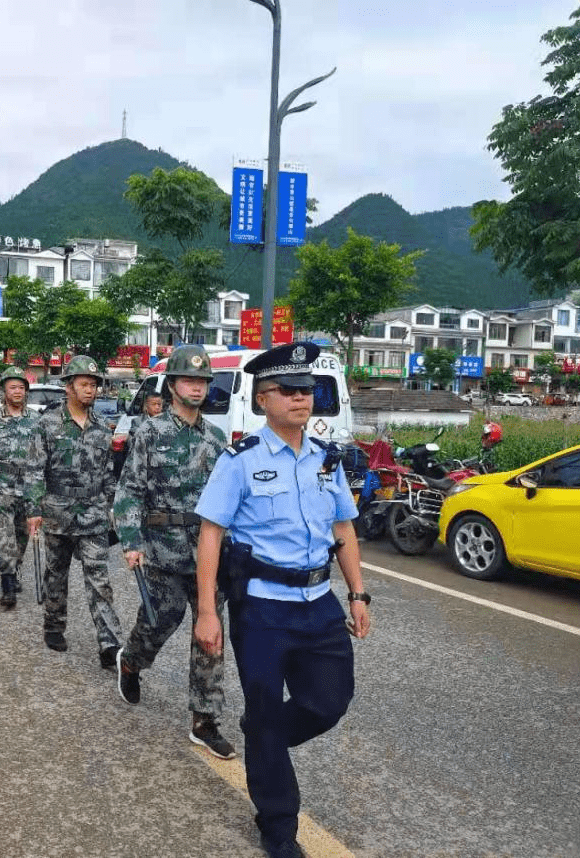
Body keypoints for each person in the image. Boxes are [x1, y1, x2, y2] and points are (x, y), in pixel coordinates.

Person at [193, 341, 372, 858]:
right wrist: (208, 612)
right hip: (262, 607)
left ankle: (262, 738)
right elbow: (210, 534)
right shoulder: (240, 461)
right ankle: (278, 826)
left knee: (328, 702)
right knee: (269, 713)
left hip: (319, 603)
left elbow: (344, 527)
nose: (302, 398)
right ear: (264, 398)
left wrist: (357, 594)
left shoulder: (325, 460)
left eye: (309, 389)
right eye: (289, 390)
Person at [112, 345, 235, 760]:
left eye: (202, 382)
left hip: (207, 553)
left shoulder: (217, 439)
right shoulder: (149, 432)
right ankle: (131, 661)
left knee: (210, 633)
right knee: (158, 624)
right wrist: (131, 541)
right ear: (172, 385)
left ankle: (205, 719)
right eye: (189, 381)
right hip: (162, 553)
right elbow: (129, 490)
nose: (196, 388)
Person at [37, 356, 123, 668]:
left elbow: (109, 474)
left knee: (99, 579)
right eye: (84, 384)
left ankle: (109, 643)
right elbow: (35, 470)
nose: (90, 390)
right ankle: (54, 625)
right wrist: (35, 509)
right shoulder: (48, 424)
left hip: (93, 514)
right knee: (56, 573)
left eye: (94, 385)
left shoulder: (102, 427)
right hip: (57, 511)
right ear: (69, 387)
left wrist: (112, 507)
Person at [0, 366, 45, 609]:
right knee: (4, 536)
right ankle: (7, 585)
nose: (17, 391)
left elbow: (43, 458)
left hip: (28, 489)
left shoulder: (37, 421)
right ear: (3, 392)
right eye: (12, 388)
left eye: (21, 387)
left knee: (20, 537)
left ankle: (14, 569)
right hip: (1, 488)